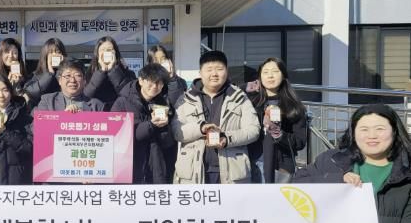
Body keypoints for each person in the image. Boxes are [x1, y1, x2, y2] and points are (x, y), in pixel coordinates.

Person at [171, 50, 260, 184]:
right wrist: (200, 128)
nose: (214, 74)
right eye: (209, 69)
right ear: (200, 73)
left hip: (233, 173)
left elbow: (253, 130)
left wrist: (227, 138)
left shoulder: (240, 98)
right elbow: (177, 131)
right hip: (192, 173)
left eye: (219, 69)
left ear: (226, 71)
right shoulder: (185, 99)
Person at [111, 64, 177, 184]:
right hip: (128, 166)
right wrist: (151, 125)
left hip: (155, 167)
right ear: (141, 80)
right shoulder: (122, 102)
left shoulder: (163, 104)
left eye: (160, 83)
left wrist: (165, 128)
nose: (155, 86)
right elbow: (118, 137)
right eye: (151, 81)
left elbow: (167, 143)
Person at [246, 57, 307, 183]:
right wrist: (246, 86)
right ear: (259, 77)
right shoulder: (250, 102)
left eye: (275, 71)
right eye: (265, 72)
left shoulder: (294, 106)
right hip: (253, 163)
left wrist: (279, 134)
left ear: (283, 75)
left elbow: (300, 142)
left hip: (281, 166)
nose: (270, 76)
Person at [84, 36, 136, 110]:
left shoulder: (128, 73)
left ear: (115, 53)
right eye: (102, 50)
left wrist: (113, 70)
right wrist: (101, 72)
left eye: (109, 50)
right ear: (97, 54)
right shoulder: (89, 73)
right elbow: (86, 96)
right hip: (97, 114)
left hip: (119, 113)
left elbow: (129, 95)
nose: (106, 52)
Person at [37, 59, 104, 112]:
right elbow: (38, 124)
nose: (72, 80)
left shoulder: (97, 106)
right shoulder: (47, 101)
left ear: (84, 81)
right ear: (60, 80)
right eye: (68, 75)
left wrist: (84, 118)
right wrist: (64, 117)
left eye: (77, 75)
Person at [24, 38, 67, 108]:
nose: (55, 55)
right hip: (42, 112)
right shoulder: (36, 75)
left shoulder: (66, 74)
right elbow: (31, 92)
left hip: (62, 111)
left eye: (58, 52)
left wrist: (64, 66)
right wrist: (50, 73)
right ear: (45, 55)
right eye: (51, 52)